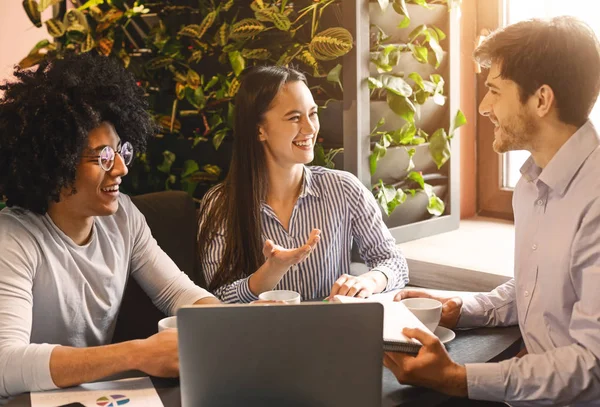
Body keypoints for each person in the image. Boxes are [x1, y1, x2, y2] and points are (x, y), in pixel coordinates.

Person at [384, 16, 600, 406]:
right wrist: (456, 309)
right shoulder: (532, 183)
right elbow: (538, 291)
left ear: (541, 100)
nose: (483, 107)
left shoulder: (596, 201)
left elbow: (592, 366)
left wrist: (456, 378)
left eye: (494, 91)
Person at [0, 53, 221, 401]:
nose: (120, 169)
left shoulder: (124, 219)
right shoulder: (12, 239)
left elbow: (179, 293)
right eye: (103, 156)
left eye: (121, 151)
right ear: (58, 163)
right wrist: (137, 354)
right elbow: (5, 366)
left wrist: (234, 328)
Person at [197, 65, 409, 303]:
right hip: (262, 337)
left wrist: (368, 281)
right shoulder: (221, 204)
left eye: (313, 114)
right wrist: (273, 269)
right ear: (259, 130)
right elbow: (217, 298)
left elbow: (394, 263)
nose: (310, 128)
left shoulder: (344, 188)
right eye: (295, 117)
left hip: (333, 332)